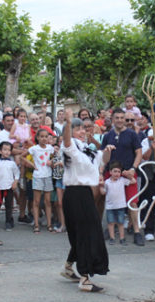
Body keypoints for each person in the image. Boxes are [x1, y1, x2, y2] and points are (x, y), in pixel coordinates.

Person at [59, 109, 111, 292]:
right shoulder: (71, 147)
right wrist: (67, 121)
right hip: (75, 195)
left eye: (84, 129)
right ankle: (85, 279)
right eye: (78, 129)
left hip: (85, 194)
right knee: (87, 235)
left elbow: (102, 161)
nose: (82, 132)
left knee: (82, 234)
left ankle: (68, 267)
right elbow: (65, 141)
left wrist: (108, 151)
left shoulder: (87, 149)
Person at [100, 108, 144, 246]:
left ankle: (137, 231)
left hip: (128, 173)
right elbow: (103, 158)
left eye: (121, 117)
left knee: (133, 202)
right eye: (117, 117)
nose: (119, 120)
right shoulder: (107, 136)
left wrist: (133, 168)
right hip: (111, 173)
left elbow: (139, 153)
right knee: (110, 201)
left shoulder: (132, 134)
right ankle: (109, 228)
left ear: (124, 119)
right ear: (113, 119)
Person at [25, 129, 54, 233]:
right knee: (36, 201)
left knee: (47, 202)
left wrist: (52, 161)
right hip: (37, 176)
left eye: (46, 136)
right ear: (37, 137)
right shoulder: (34, 149)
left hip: (48, 175)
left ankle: (49, 224)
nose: (44, 138)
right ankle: (36, 225)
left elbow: (57, 156)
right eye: (41, 136)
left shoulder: (50, 148)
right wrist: (32, 165)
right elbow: (22, 157)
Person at [101, 161, 135, 245]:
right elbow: (103, 192)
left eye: (119, 172)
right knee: (111, 223)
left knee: (121, 223)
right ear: (110, 172)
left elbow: (133, 181)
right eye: (115, 171)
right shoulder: (107, 182)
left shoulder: (122, 180)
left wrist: (127, 174)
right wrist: (100, 185)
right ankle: (112, 238)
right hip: (110, 207)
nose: (117, 173)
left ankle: (122, 238)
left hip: (120, 206)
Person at [0, 142, 19, 231]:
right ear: (0, 151)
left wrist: (15, 182)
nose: (7, 152)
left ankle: (8, 221)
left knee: (9, 205)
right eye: (5, 150)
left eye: (9, 150)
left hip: (9, 187)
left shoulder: (12, 163)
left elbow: (17, 174)